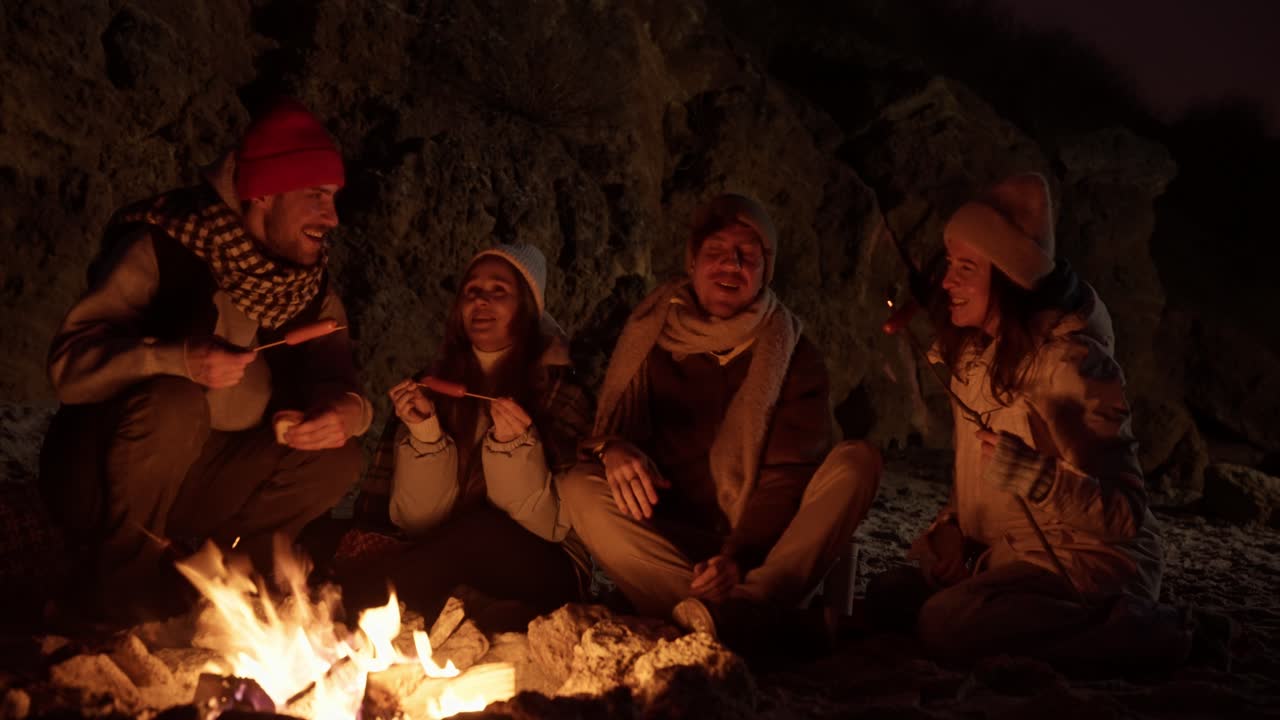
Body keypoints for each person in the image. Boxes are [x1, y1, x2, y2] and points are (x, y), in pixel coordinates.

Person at [39, 98, 370, 623]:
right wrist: (177, 359)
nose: (331, 217)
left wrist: (346, 413)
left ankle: (238, 585)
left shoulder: (306, 286)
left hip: (212, 482)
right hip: (104, 476)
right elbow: (69, 368)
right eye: (315, 196)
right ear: (264, 193)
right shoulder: (162, 246)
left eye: (333, 198)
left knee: (339, 454)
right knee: (176, 401)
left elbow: (338, 380)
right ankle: (122, 585)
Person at [866, 172, 1187, 667]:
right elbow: (979, 472)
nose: (947, 281)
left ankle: (1150, 633)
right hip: (1009, 552)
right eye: (948, 264)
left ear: (1009, 278)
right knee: (890, 595)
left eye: (966, 268)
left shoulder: (1071, 364)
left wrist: (1038, 478)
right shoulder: (976, 354)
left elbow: (1123, 515)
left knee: (944, 625)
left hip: (1087, 565)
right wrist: (952, 527)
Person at [557, 193, 882, 654]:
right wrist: (611, 448)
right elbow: (610, 435)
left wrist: (738, 556)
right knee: (578, 486)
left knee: (857, 461)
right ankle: (754, 624)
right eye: (715, 253)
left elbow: (786, 477)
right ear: (692, 263)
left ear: (764, 270)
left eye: (746, 255)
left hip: (762, 548)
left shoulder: (792, 352)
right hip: (675, 545)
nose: (730, 265)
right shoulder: (652, 333)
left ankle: (736, 611)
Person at [339, 244, 594, 631]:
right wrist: (425, 438)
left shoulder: (561, 391)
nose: (481, 300)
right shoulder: (434, 383)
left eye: (499, 291)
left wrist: (514, 449)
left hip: (544, 562)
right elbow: (417, 521)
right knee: (327, 535)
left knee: (478, 533)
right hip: (448, 546)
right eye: (472, 290)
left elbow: (551, 526)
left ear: (526, 309)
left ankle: (348, 606)